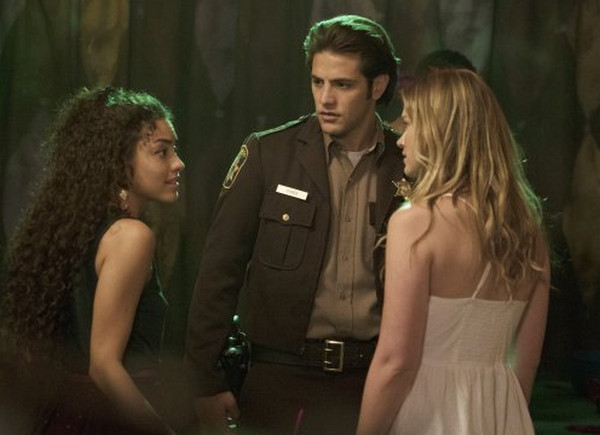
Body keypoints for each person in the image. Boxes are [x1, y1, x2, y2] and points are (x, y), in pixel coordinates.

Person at [184, 14, 403, 435]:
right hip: (281, 377)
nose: (326, 98)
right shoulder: (269, 154)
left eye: (342, 85)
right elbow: (219, 271)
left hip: (375, 376)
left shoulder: (407, 164)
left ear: (377, 87)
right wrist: (205, 380)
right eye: (318, 82)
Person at [356, 68, 550, 434]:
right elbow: (528, 361)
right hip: (503, 413)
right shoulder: (528, 229)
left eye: (410, 123)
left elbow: (397, 362)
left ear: (440, 133)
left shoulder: (416, 223)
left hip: (429, 414)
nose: (401, 139)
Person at [1, 87, 184, 434]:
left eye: (175, 150)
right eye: (162, 151)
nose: (178, 163)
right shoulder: (131, 236)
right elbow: (104, 366)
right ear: (118, 160)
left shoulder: (75, 230)